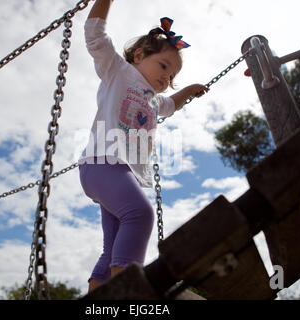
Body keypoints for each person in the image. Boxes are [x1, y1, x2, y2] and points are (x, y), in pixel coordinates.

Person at [78, 0, 208, 292]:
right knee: (140, 214)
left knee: (111, 247)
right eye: (164, 66)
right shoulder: (119, 71)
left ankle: (98, 294)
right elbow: (95, 36)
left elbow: (171, 104)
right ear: (139, 55)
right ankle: (130, 291)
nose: (167, 77)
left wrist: (187, 90)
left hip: (119, 171)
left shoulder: (153, 98)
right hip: (102, 163)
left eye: (173, 75)